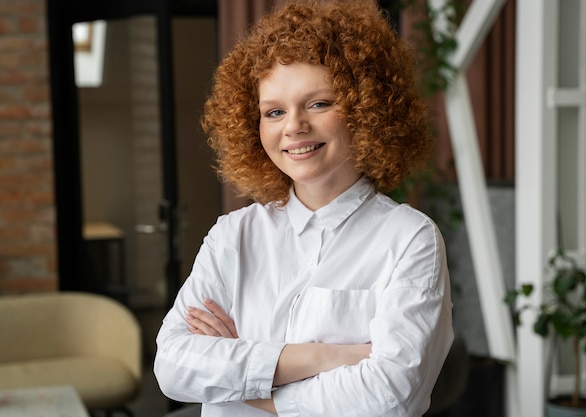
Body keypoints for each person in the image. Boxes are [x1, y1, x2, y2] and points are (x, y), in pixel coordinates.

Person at [153, 1, 454, 416]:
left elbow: (392, 396)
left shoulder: (410, 239)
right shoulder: (233, 235)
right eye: (274, 111)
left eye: (319, 103)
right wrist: (324, 357)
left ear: (368, 110)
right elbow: (172, 367)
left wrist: (242, 382)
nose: (293, 126)